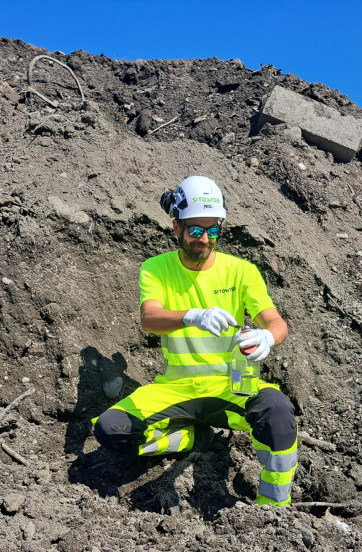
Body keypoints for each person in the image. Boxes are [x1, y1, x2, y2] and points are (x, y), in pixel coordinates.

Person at [93, 175, 298, 506]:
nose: (205, 238)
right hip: (176, 390)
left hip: (231, 387)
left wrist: (267, 337)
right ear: (177, 227)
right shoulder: (156, 269)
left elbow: (276, 322)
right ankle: (193, 438)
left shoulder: (242, 271)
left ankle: (273, 509)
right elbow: (149, 318)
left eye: (213, 230)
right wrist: (190, 315)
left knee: (277, 411)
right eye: (196, 230)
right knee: (112, 428)